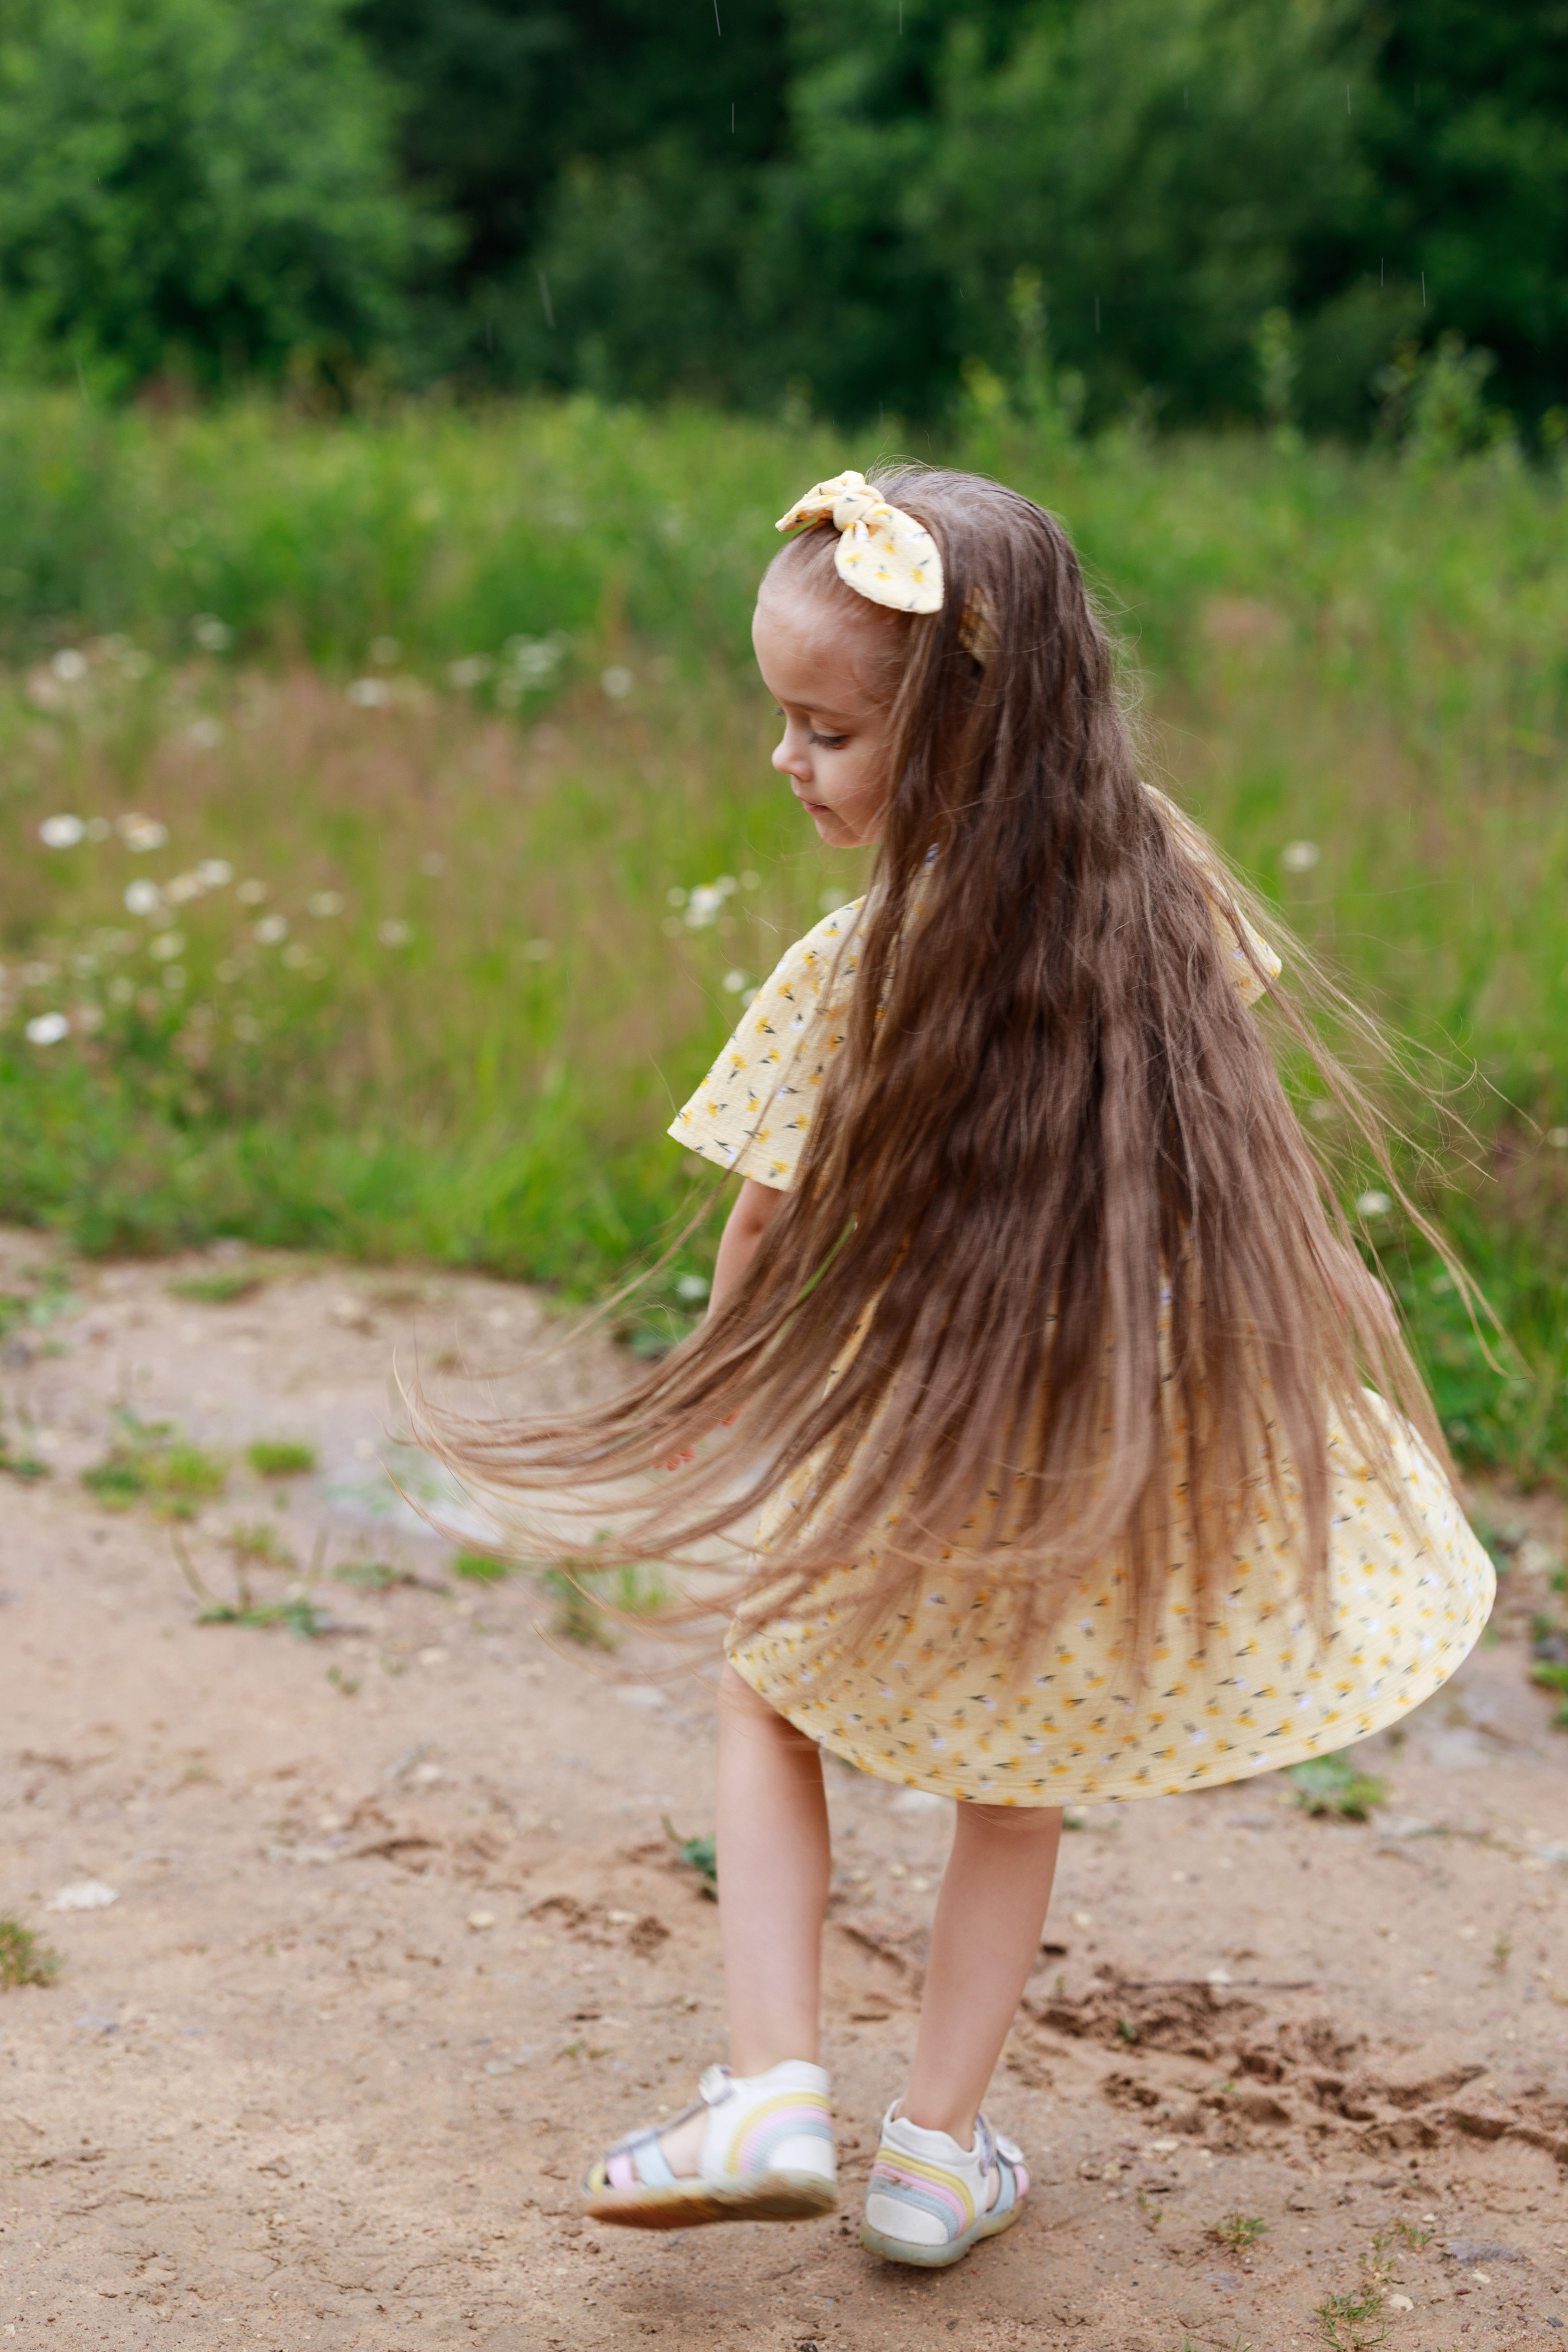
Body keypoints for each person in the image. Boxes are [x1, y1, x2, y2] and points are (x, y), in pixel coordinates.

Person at [419, 466, 1493, 2268]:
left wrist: (713, 1398)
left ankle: (772, 2083)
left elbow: (761, 1232)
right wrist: (1350, 1333)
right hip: (1093, 1450)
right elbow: (1254, 1156)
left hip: (909, 1435)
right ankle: (934, 2152)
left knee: (769, 1696)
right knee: (1018, 1785)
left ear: (970, 732)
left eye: (825, 730)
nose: (787, 761)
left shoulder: (854, 967)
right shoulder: (1164, 896)